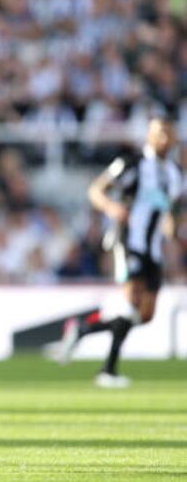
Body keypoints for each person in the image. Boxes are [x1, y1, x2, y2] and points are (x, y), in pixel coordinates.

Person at [58, 115, 182, 388]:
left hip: (153, 250)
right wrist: (112, 208)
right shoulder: (133, 163)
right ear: (149, 135)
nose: (163, 138)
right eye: (158, 132)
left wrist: (175, 234)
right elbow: (96, 190)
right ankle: (108, 370)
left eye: (168, 133)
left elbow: (172, 212)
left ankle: (82, 328)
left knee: (145, 315)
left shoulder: (175, 173)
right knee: (132, 301)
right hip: (128, 241)